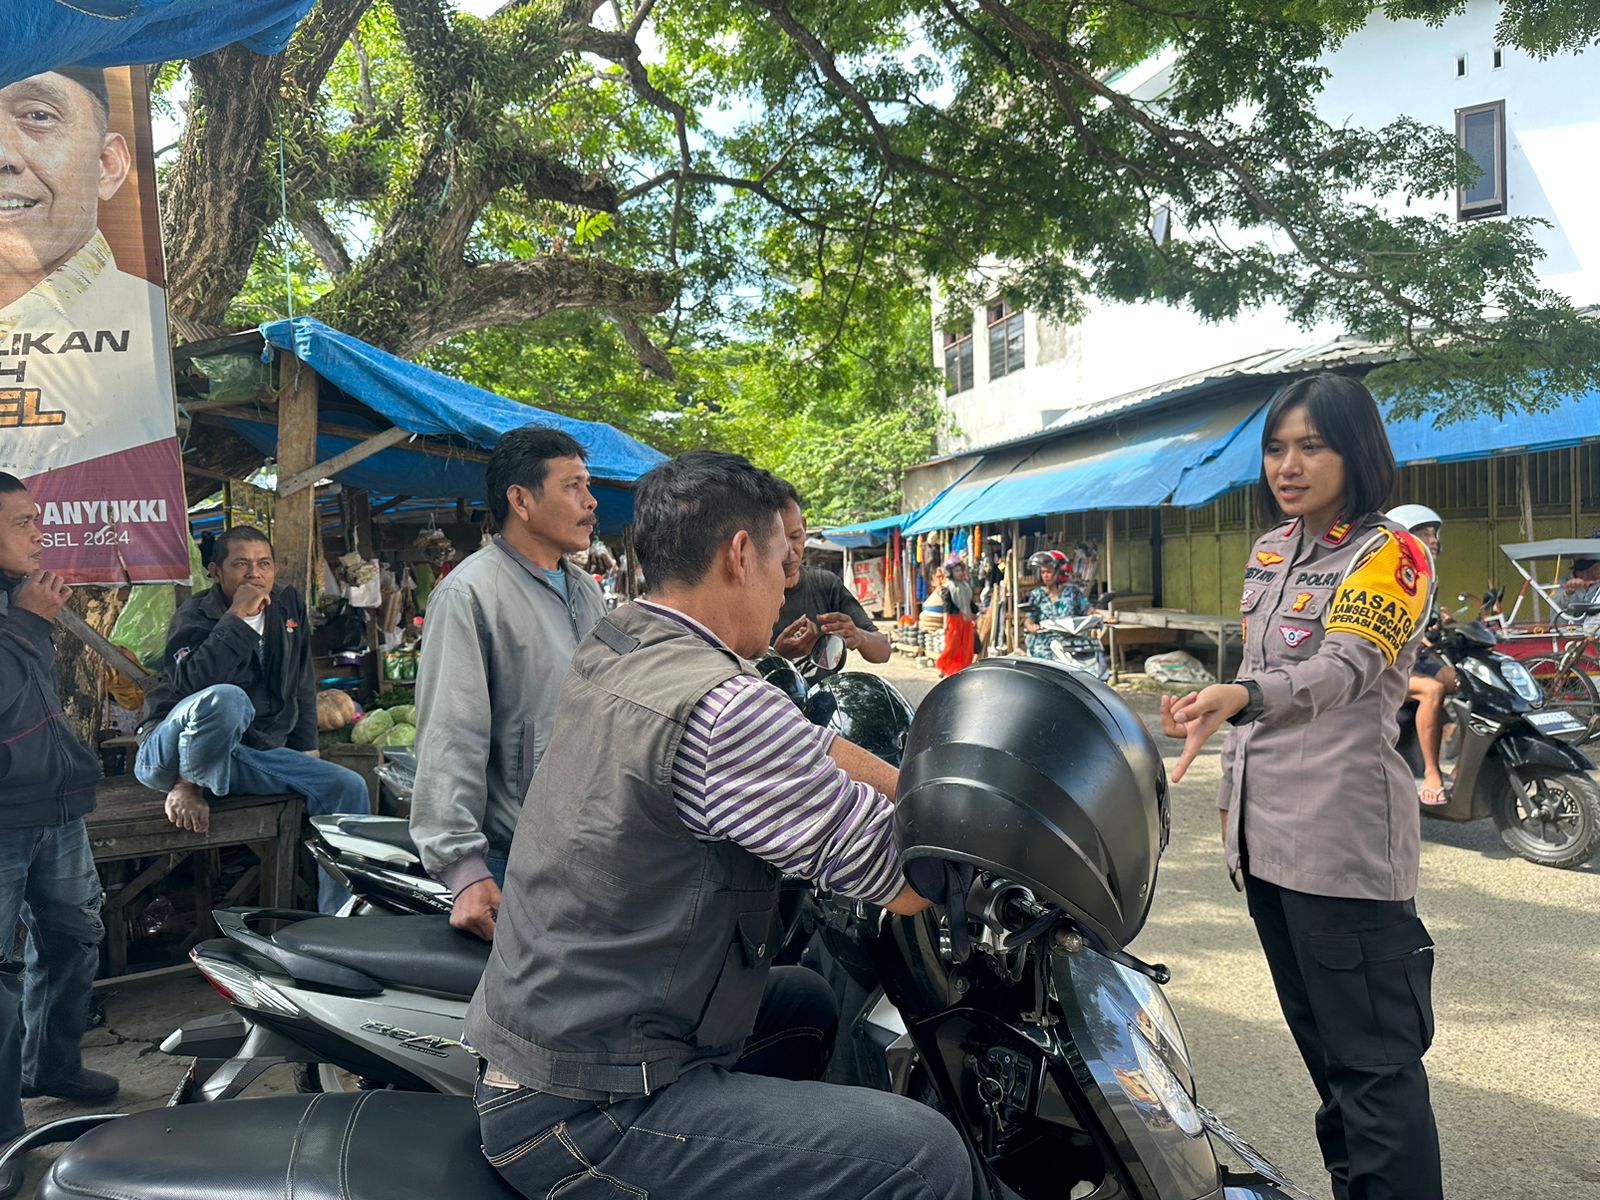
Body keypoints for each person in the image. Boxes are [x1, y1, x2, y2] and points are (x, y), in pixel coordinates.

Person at [464, 450, 969, 1200]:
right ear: (740, 555)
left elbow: (812, 747)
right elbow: (899, 878)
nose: (788, 583)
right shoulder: (723, 704)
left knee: (806, 1000)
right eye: (782, 559)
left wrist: (924, 787)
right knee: (925, 1156)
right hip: (589, 1109)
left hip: (559, 1040)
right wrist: (981, 842)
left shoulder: (622, 640)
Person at [1160, 375, 1442, 1200]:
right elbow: (1258, 673)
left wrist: (1242, 697)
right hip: (1268, 847)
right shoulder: (1274, 550)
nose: (1290, 464)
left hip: (1341, 846)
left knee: (1376, 1074)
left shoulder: (1390, 553)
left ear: (1357, 451)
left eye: (1311, 445)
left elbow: (1344, 670)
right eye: (1277, 447)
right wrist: (1221, 724)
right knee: (1329, 1063)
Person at [409, 426, 606, 941]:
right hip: (514, 853)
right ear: (520, 499)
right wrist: (464, 871)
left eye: (588, 486)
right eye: (572, 486)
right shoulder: (469, 594)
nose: (590, 502)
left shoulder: (585, 589)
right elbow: (451, 735)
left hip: (589, 843)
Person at [135, 527, 368, 914]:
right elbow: (193, 684)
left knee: (348, 786)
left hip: (243, 751)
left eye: (263, 564)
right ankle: (188, 786)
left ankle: (341, 922)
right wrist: (237, 616)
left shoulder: (287, 603)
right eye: (240, 564)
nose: (253, 574)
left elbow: (301, 680)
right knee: (229, 698)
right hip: (170, 751)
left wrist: (306, 749)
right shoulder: (194, 615)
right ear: (216, 571)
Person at [0, 472, 117, 1199]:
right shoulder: (22, 610)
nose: (40, 532)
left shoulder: (22, 600)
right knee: (1, 979)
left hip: (55, 805)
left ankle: (55, 1066)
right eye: (22, 522)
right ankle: (5, 1130)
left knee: (75, 935)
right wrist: (27, 623)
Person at [770, 485, 891, 671]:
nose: (790, 551)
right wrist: (779, 657)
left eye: (796, 536)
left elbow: (883, 651)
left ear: (804, 526)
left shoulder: (825, 584)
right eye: (779, 541)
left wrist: (859, 636)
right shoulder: (747, 595)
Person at [1388, 504, 1455, 806]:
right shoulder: (1391, 577)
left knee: (1461, 679)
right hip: (1383, 668)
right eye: (1424, 533)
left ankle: (1450, 737)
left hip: (1413, 660)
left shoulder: (1427, 575)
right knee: (1432, 690)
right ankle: (1431, 773)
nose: (1434, 539)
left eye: (1434, 533)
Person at [1023, 549, 1092, 659]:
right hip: (1043, 647)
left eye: (1048, 572)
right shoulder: (1037, 594)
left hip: (1069, 645)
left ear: (1059, 572)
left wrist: (1103, 617)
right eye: (1043, 572)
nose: (1045, 576)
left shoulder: (1073, 592)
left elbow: (1088, 610)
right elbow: (1029, 618)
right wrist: (1031, 626)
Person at [935, 554, 977, 676]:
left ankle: (962, 668)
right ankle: (943, 667)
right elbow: (946, 607)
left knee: (966, 646)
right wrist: (945, 623)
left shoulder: (966, 586)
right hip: (954, 619)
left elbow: (970, 603)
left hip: (966, 619)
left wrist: (976, 613)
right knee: (952, 645)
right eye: (956, 570)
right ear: (951, 572)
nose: (959, 573)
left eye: (960, 570)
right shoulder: (948, 587)